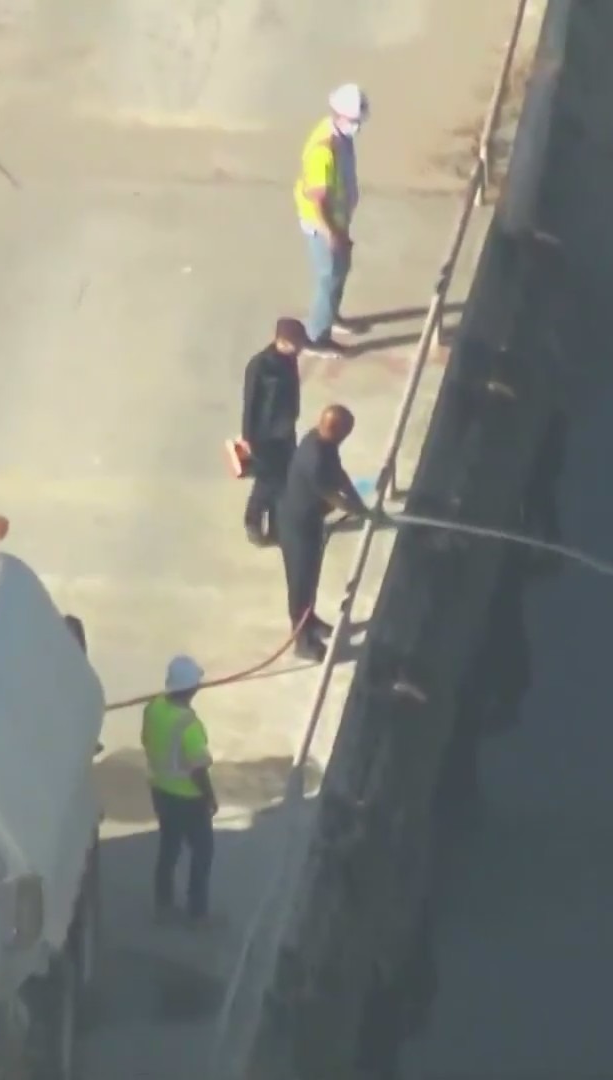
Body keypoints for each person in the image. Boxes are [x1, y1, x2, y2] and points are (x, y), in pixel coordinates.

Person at [277, 404, 376, 661]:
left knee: (311, 577)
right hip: (297, 526)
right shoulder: (314, 459)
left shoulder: (322, 442)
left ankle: (311, 621)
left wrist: (361, 504)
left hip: (311, 522)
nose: (348, 436)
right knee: (300, 582)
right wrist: (357, 510)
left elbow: (340, 476)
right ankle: (302, 640)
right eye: (346, 431)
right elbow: (332, 495)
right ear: (334, 429)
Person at [294, 83, 369, 356]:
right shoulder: (324, 149)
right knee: (329, 276)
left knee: (339, 271)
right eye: (354, 121)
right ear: (339, 115)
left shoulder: (340, 136)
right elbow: (318, 201)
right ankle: (316, 337)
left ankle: (330, 316)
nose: (357, 126)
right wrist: (332, 234)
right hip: (323, 226)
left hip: (338, 220)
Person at [142, 654, 218, 925]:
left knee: (169, 848)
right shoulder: (189, 726)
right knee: (202, 853)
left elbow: (146, 739)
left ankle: (163, 903)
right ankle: (197, 913)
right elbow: (198, 769)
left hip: (160, 792)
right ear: (190, 688)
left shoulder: (153, 708)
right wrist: (210, 797)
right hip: (189, 800)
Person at [240, 317, 308, 546]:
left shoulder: (289, 360)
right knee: (267, 482)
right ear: (281, 341)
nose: (300, 349)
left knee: (285, 480)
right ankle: (253, 522)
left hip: (285, 431)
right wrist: (248, 437)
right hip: (264, 436)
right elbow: (250, 403)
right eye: (296, 344)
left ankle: (278, 527)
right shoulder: (260, 365)